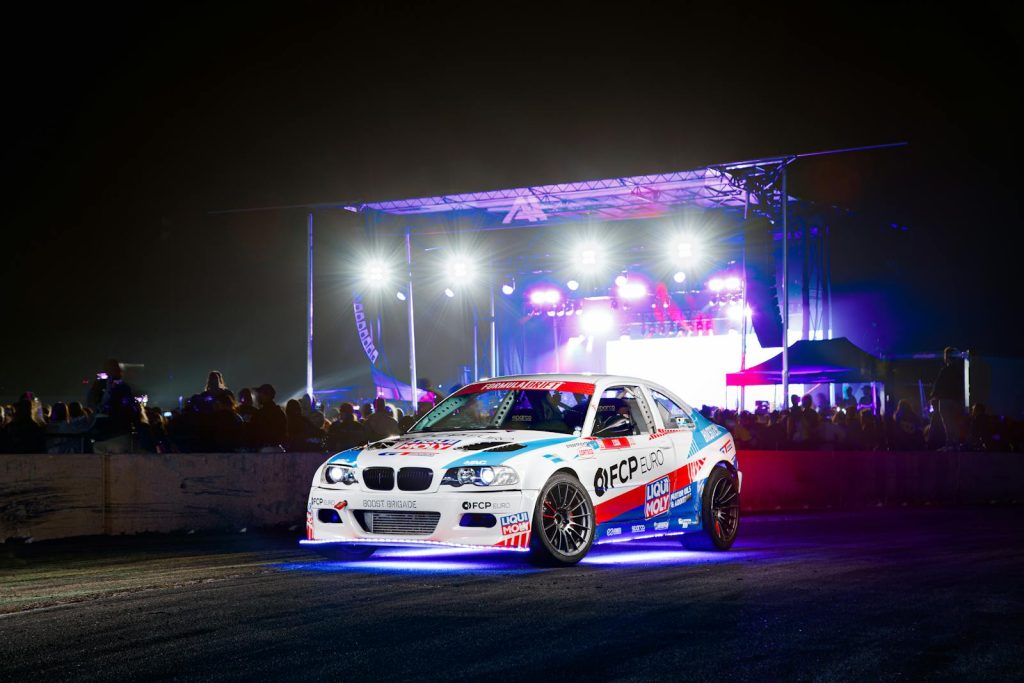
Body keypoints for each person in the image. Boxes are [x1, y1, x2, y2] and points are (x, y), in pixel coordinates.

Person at [929, 347, 964, 451]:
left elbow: (938, 385)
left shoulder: (945, 371)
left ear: (946, 357)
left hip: (945, 400)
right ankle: (956, 443)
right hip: (956, 401)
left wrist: (933, 395)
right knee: (954, 422)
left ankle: (950, 444)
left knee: (947, 422)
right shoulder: (958, 371)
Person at [249, 384, 287, 451]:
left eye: (260, 394)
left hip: (264, 449)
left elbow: (253, 432)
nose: (258, 396)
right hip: (278, 448)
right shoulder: (279, 412)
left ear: (267, 395)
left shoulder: (260, 414)